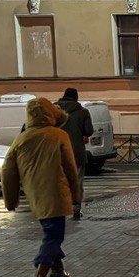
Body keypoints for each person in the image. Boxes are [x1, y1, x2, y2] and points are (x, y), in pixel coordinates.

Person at [1, 98, 79, 277]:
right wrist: (76, 194)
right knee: (54, 236)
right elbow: (71, 168)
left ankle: (58, 272)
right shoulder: (59, 135)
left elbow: (8, 171)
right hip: (57, 192)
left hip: (35, 195)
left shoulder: (21, 139)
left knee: (51, 231)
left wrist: (10, 200)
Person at [56, 87, 94, 220]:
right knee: (77, 181)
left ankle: (60, 209)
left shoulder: (54, 110)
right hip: (76, 152)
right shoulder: (83, 112)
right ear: (76, 98)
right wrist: (82, 134)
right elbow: (89, 130)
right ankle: (76, 209)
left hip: (57, 152)